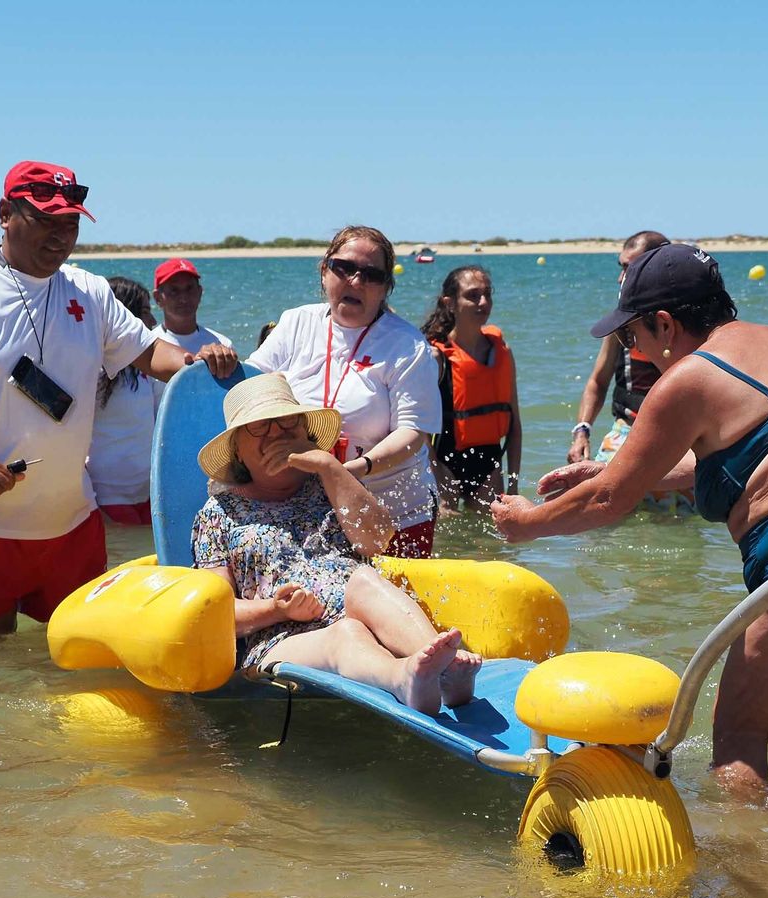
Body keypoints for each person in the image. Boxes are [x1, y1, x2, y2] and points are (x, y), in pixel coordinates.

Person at [492, 244, 768, 791]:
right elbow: (756, 449)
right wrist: (615, 470)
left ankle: (745, 872)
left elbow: (607, 503)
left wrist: (527, 522)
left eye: (630, 335)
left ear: (665, 324)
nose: (634, 349)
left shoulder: (689, 376)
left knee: (738, 733)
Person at [0, 160, 238, 634]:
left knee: (76, 651)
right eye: (45, 221)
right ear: (5, 213)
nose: (60, 236)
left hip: (73, 519)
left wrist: (199, 363)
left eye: (70, 223)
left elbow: (151, 353)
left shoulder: (89, 290)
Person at [193, 374, 481, 713]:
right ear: (238, 452)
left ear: (305, 433)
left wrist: (329, 466)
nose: (276, 434)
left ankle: (442, 668)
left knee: (364, 580)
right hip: (282, 642)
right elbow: (216, 611)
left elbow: (377, 541)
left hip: (362, 615)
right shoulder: (219, 513)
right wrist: (276, 610)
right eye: (259, 427)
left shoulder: (330, 483)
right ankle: (403, 677)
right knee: (346, 633)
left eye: (287, 422)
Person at [247, 225, 441, 556]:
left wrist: (352, 470)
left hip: (395, 514)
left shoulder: (408, 345)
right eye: (345, 268)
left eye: (371, 274)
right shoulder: (295, 324)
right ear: (325, 272)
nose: (356, 281)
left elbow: (413, 435)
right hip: (308, 507)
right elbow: (251, 392)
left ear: (385, 288)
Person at [421, 265, 522, 513]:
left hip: (488, 464)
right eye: (473, 295)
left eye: (487, 294)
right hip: (444, 464)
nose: (483, 302)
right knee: (448, 542)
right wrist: (436, 471)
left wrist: (514, 483)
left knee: (491, 545)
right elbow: (419, 427)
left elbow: (514, 424)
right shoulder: (435, 357)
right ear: (450, 303)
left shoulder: (502, 353)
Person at [565, 230, 670, 466]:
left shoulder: (689, 327)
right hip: (625, 432)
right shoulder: (619, 323)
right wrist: (582, 431)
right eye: (621, 268)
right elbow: (598, 382)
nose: (620, 279)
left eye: (630, 269)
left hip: (678, 439)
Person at [88, 277, 161, 525]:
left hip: (147, 489)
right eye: (145, 313)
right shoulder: (93, 369)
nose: (152, 322)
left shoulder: (145, 370)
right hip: (107, 494)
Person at [151, 257, 233, 406]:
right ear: (158, 298)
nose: (183, 298)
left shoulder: (222, 344)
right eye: (174, 291)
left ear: (200, 292)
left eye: (189, 289)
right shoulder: (147, 347)